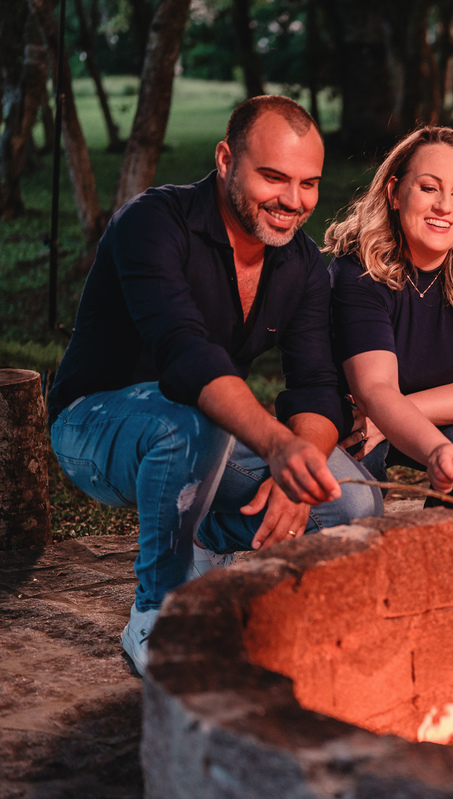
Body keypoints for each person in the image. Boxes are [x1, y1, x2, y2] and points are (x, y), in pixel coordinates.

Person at [47, 95, 382, 676]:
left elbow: (316, 384)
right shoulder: (152, 223)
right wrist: (277, 447)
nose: (293, 201)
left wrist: (300, 465)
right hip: (94, 426)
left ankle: (208, 545)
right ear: (226, 159)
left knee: (349, 501)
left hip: (205, 436)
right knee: (192, 416)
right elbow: (185, 356)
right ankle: (157, 613)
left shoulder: (300, 263)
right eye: (273, 177)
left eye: (308, 184)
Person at [324, 126, 453, 506]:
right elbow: (374, 390)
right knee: (353, 496)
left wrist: (400, 419)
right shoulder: (356, 270)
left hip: (433, 418)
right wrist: (384, 420)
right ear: (394, 193)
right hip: (358, 417)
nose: (444, 207)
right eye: (429, 188)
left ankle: (437, 539)